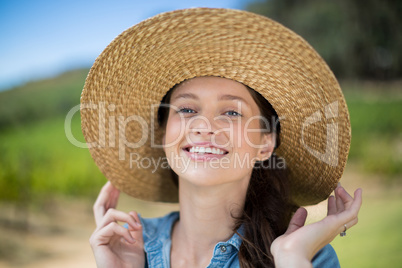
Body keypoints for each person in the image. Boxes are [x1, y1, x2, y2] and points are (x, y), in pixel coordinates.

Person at [81, 8, 362, 268]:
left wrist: (290, 259)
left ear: (265, 143)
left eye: (231, 112)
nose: (204, 126)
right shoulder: (127, 248)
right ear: (164, 133)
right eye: (187, 109)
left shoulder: (306, 256)